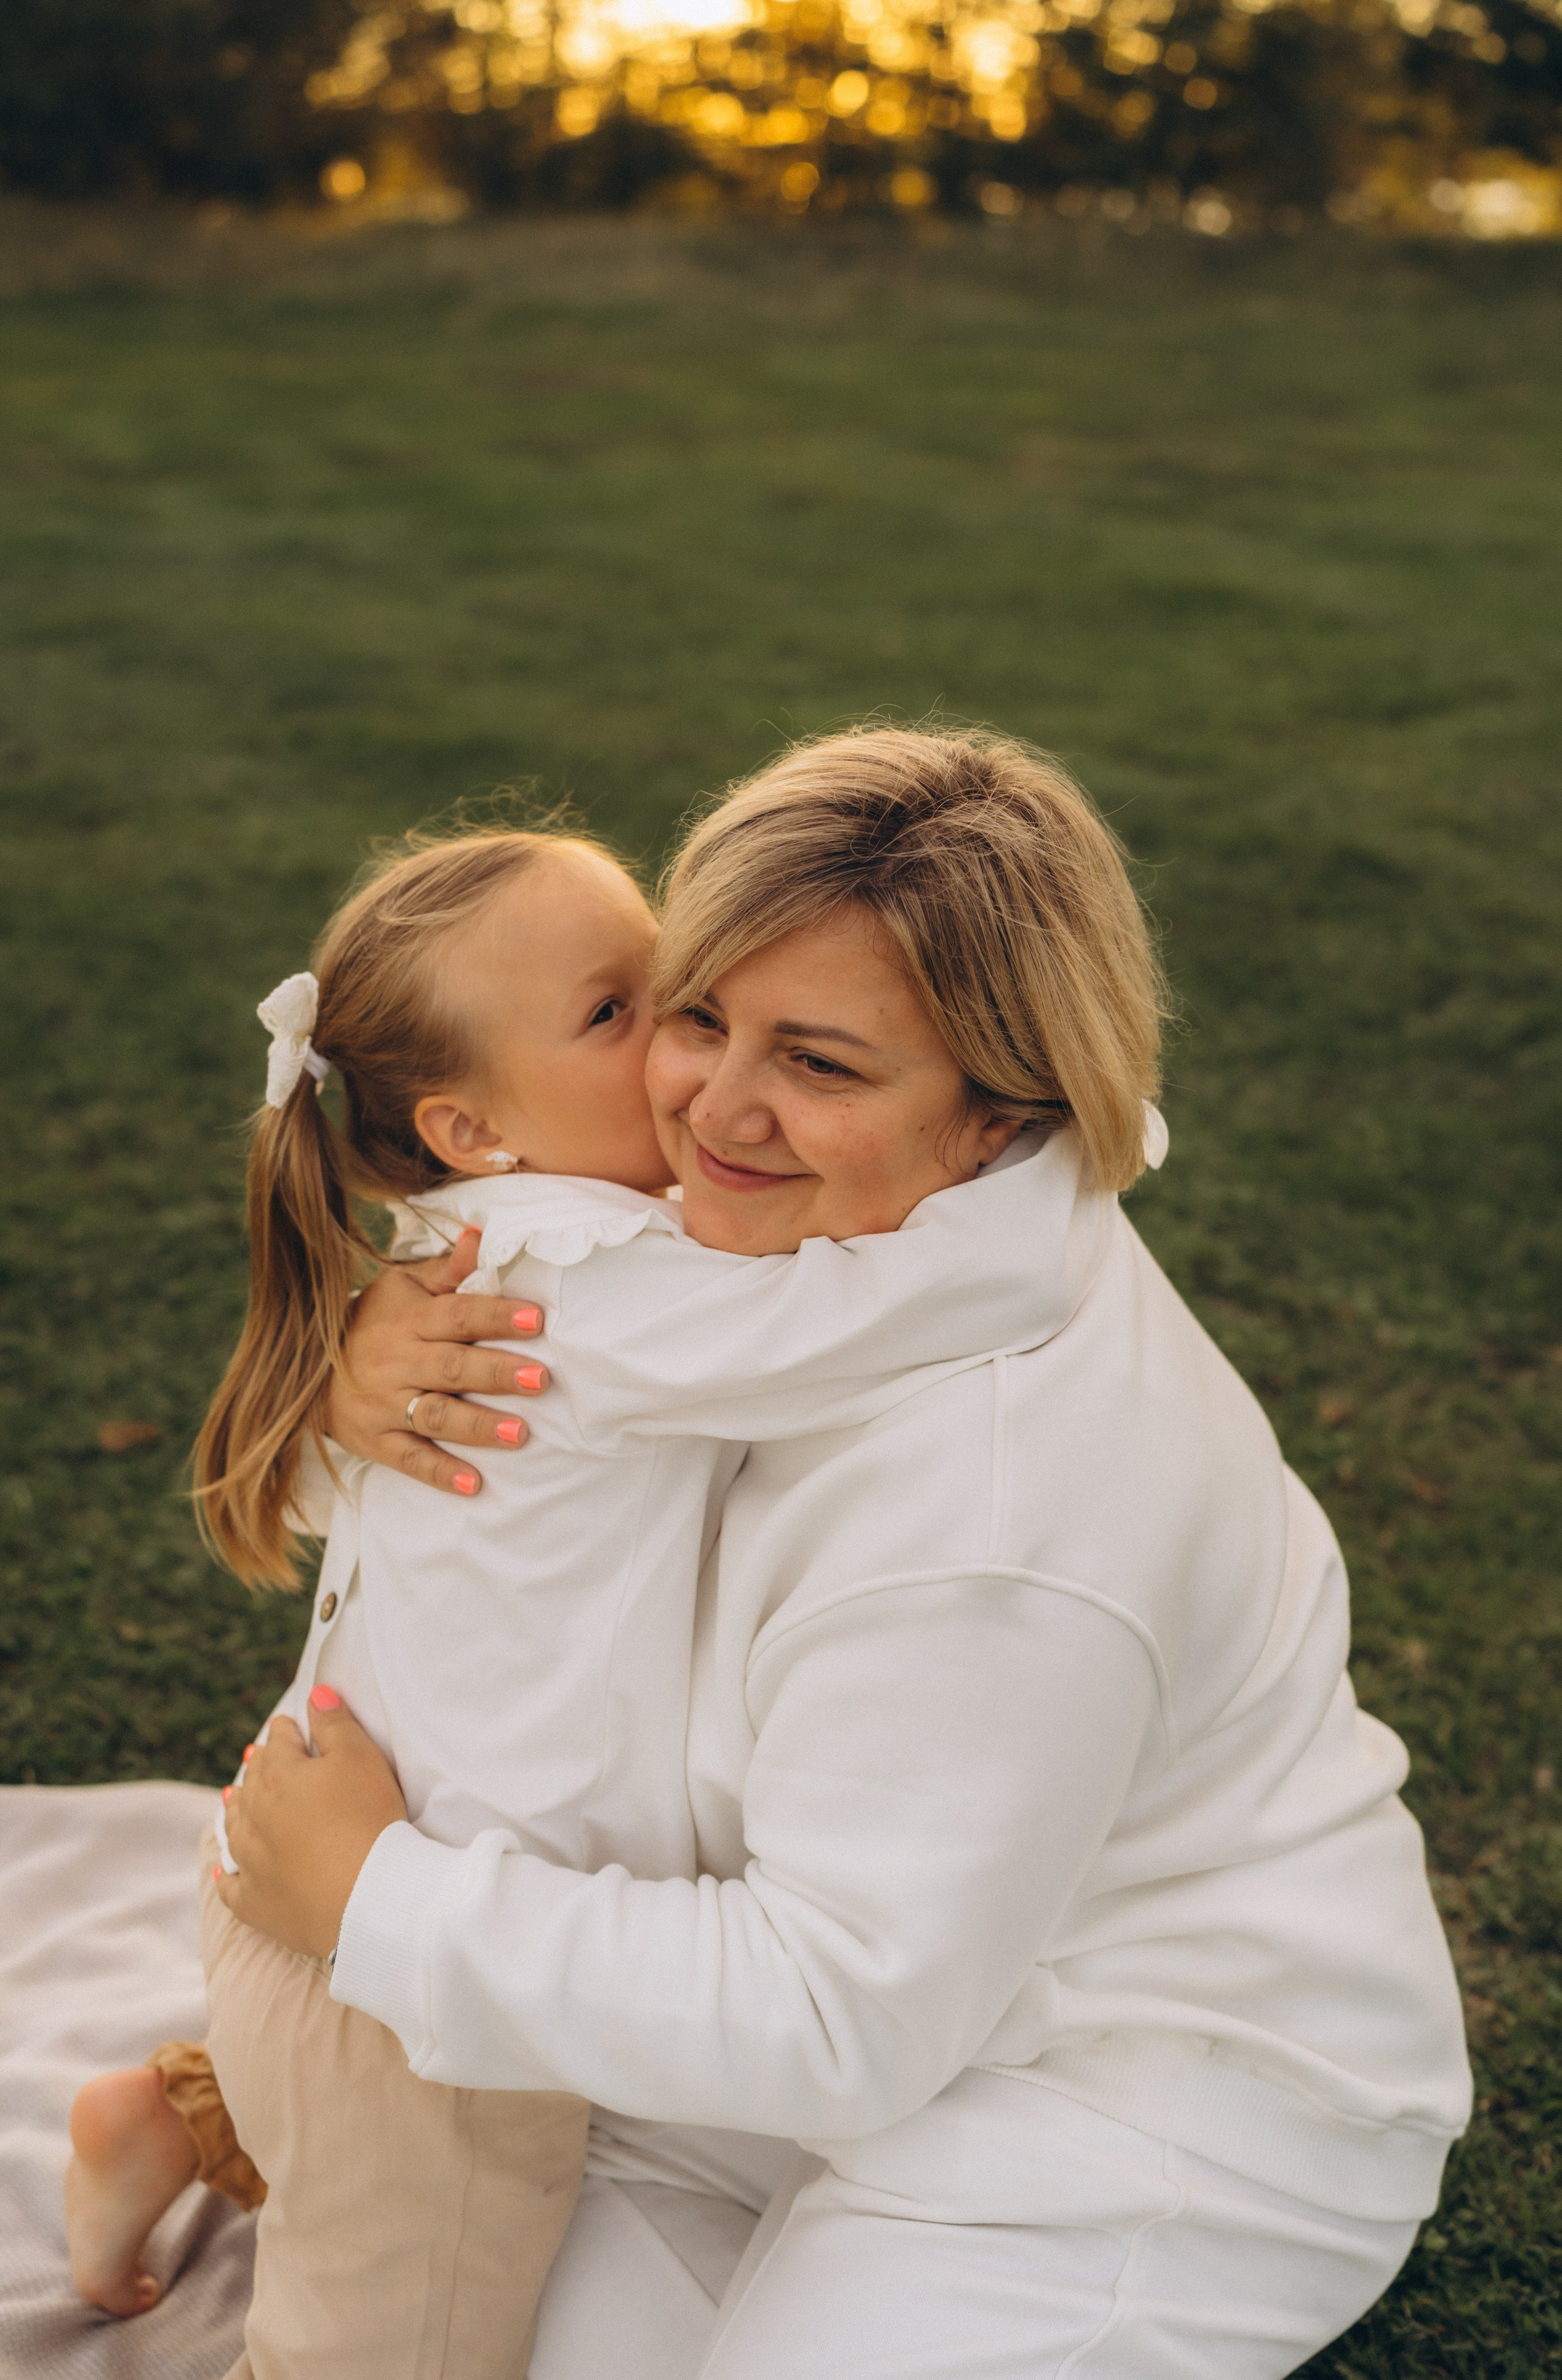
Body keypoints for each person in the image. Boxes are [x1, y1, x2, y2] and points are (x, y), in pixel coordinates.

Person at [219, 726, 1472, 2380]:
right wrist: (368, 1375)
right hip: (729, 2055)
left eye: (820, 1064)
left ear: (997, 1118)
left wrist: (382, 1901)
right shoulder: (747, 1258)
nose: (714, 1111)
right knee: (456, 2310)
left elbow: (844, 2014)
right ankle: (212, 2114)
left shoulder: (1014, 1506)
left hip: (1111, 2106)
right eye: (695, 1012)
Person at [64, 813, 1096, 2380]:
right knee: (407, 2332)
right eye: (626, 1012)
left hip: (324, 1882)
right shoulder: (606, 1298)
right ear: (473, 1129)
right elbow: (947, 1294)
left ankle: (182, 2119)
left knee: (363, 2170)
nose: (688, 1048)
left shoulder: (477, 1253)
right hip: (403, 1956)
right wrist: (1066, 1133)